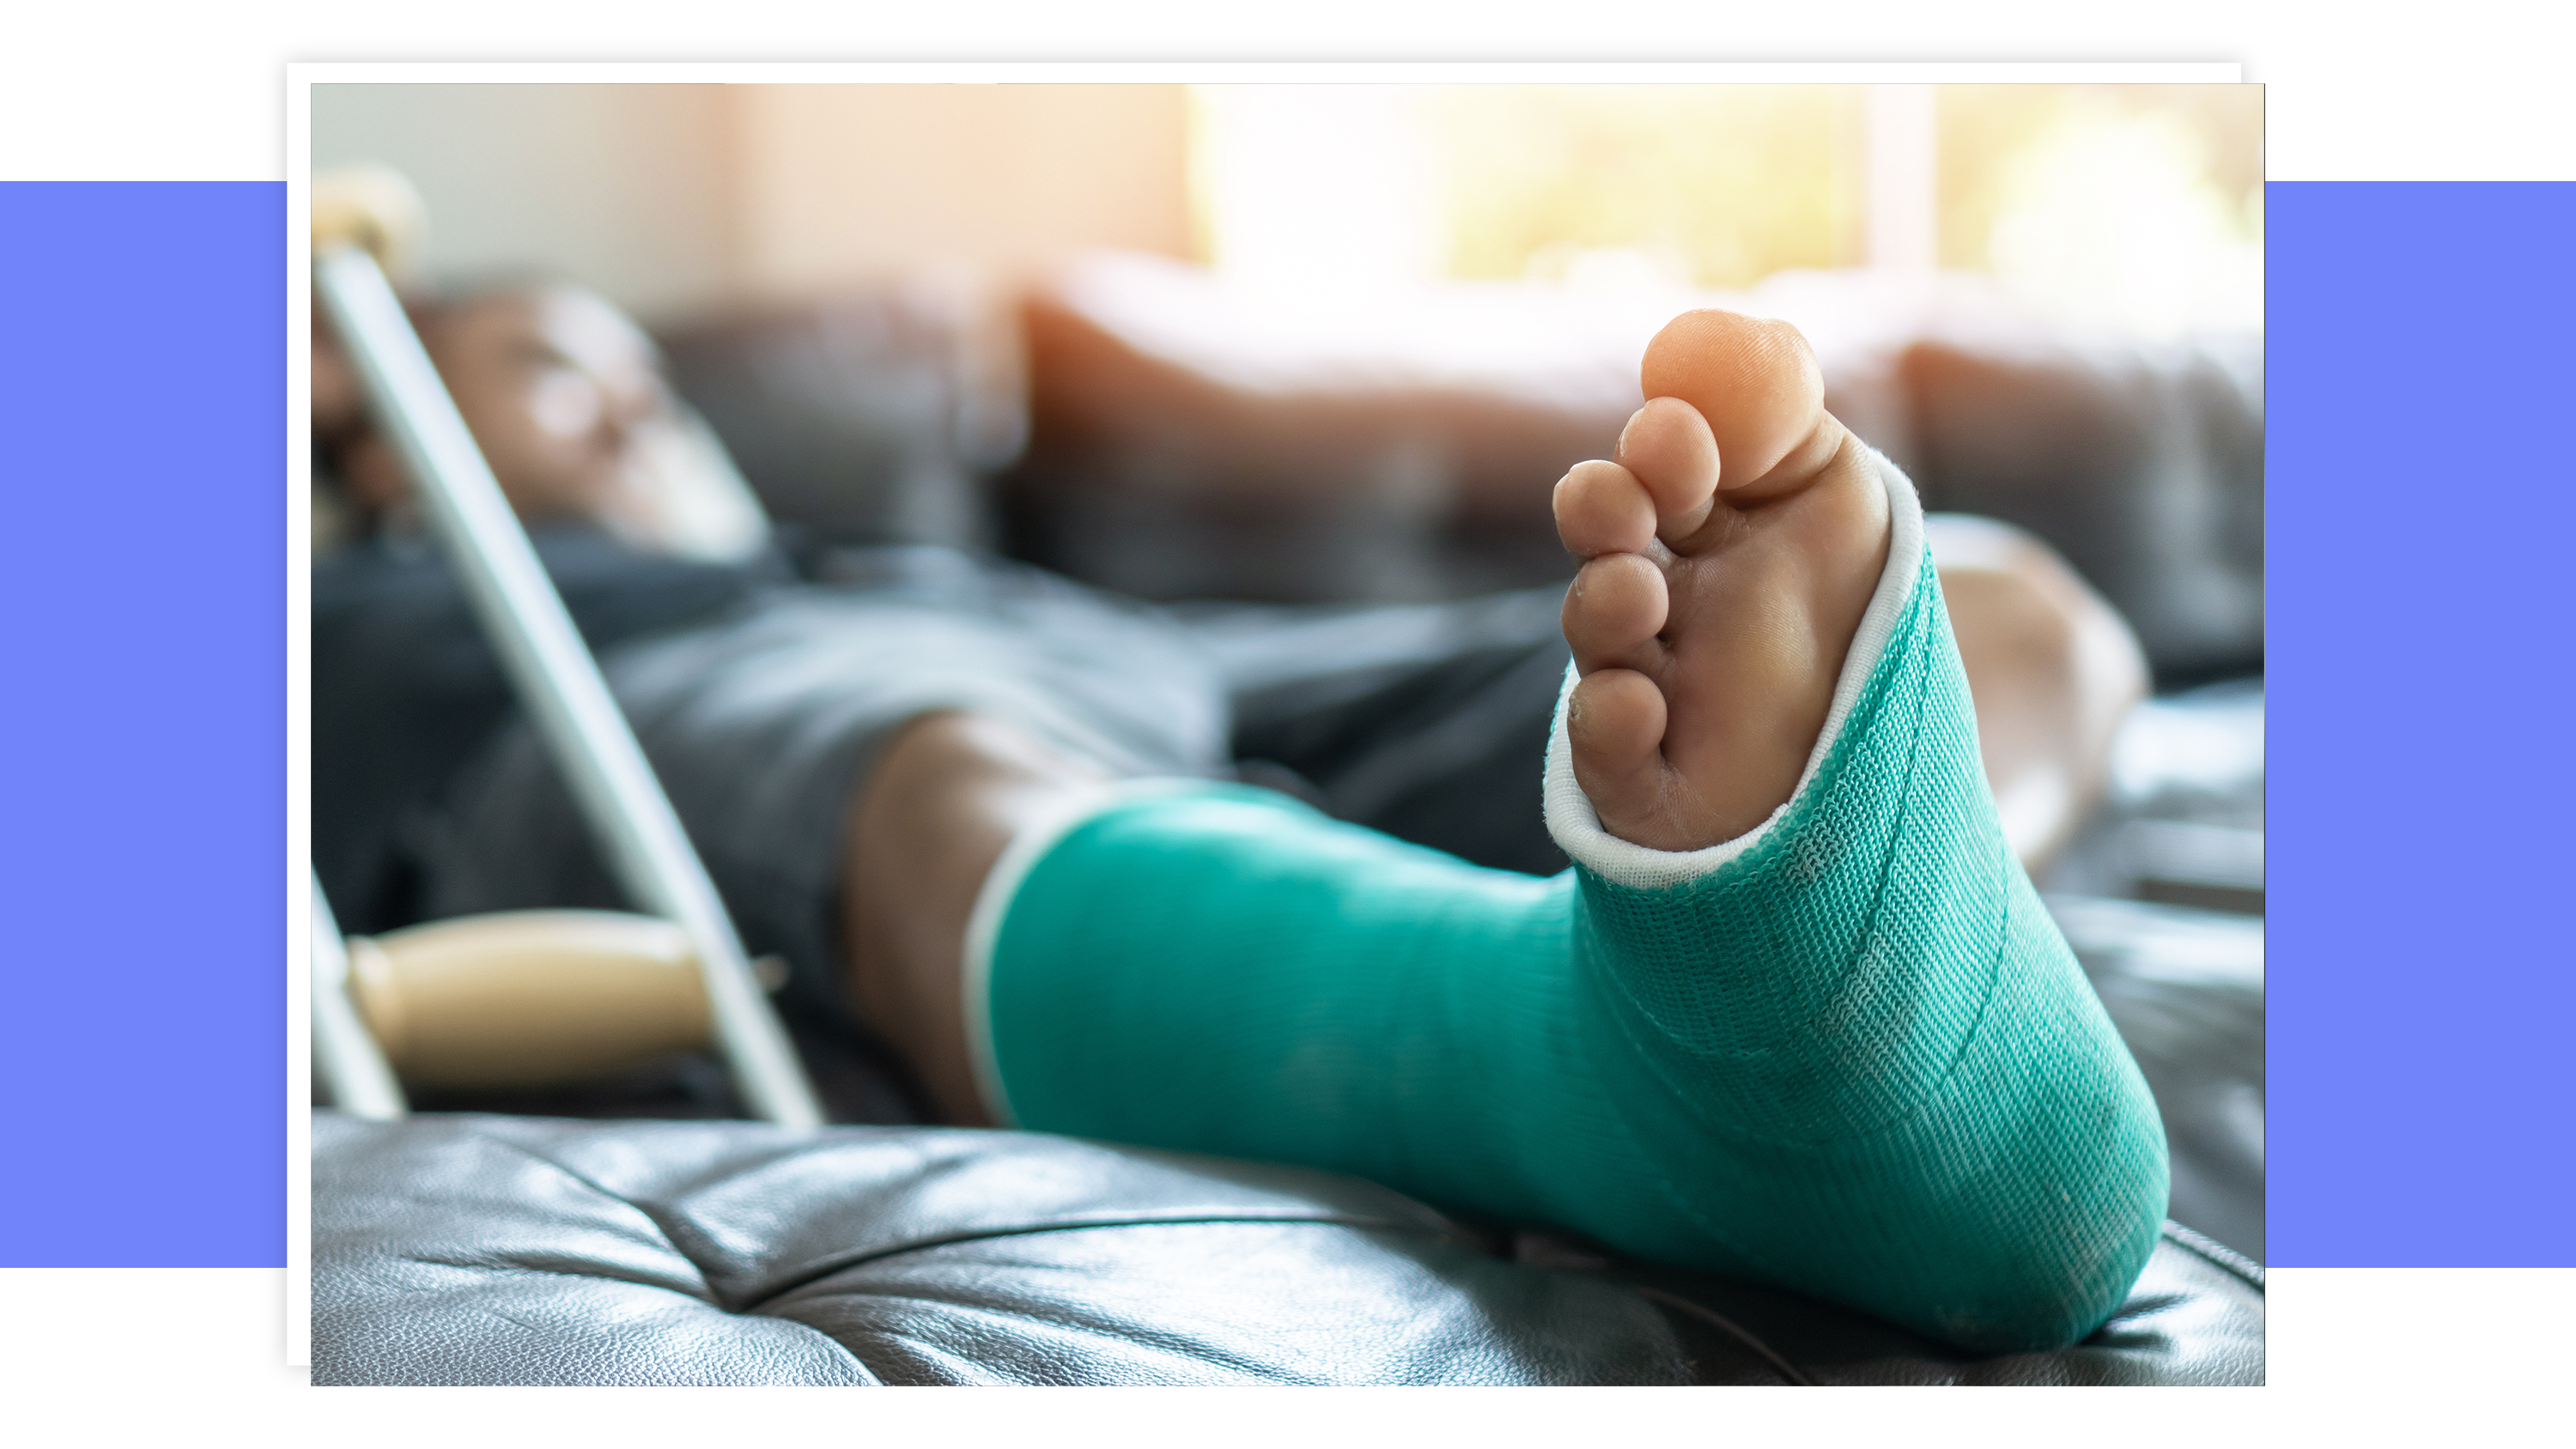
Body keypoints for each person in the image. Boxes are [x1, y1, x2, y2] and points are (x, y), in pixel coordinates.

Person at [313, 281, 2162, 1354]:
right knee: (937, 765)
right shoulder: (386, 600)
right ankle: (1733, 1043)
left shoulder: (887, 547)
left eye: (652, 377)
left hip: (1142, 661)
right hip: (706, 685)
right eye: (562, 374)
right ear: (371, 417)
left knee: (2009, 607)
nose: (646, 401)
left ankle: (1850, 913)